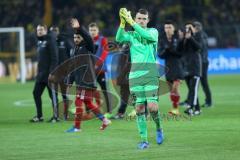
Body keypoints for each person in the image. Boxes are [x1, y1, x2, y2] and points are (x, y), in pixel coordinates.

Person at [116, 8, 164, 149]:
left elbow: (148, 37)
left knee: (153, 107)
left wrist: (132, 22)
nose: (141, 21)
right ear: (136, 19)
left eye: (144, 19)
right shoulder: (131, 35)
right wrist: (123, 22)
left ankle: (159, 128)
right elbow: (119, 38)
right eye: (139, 18)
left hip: (150, 74)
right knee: (139, 108)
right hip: (135, 76)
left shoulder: (153, 32)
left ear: (148, 20)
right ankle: (144, 140)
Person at [66, 18, 111, 132]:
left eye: (78, 37)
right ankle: (104, 120)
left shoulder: (88, 47)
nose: (76, 39)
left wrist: (79, 28)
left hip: (87, 80)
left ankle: (77, 127)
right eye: (75, 37)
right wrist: (69, 82)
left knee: (78, 101)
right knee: (88, 102)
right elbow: (73, 68)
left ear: (83, 38)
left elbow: (88, 37)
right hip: (80, 81)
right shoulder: (73, 50)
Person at [30, 24, 59, 123]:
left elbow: (55, 57)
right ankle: (39, 116)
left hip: (49, 74)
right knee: (36, 93)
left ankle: (56, 116)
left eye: (41, 30)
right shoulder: (39, 42)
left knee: (53, 96)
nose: (39, 31)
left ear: (46, 30)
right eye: (38, 30)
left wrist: (52, 72)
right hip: (41, 75)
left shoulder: (50, 40)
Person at [177, 22, 203, 116]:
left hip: (195, 67)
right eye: (186, 28)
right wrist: (183, 38)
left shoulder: (197, 37)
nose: (188, 30)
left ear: (193, 28)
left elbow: (199, 47)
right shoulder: (184, 39)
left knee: (193, 89)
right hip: (186, 67)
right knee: (192, 89)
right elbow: (178, 50)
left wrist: (190, 38)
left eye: (190, 28)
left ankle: (190, 108)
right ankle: (198, 109)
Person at [158, 20, 184, 115]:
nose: (167, 29)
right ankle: (175, 108)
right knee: (172, 90)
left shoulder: (179, 38)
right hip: (168, 67)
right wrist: (166, 50)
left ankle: (175, 109)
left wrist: (171, 50)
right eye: (166, 27)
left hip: (178, 66)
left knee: (175, 88)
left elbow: (181, 53)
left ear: (173, 28)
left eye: (169, 27)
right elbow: (160, 55)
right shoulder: (162, 40)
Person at [88, 22, 113, 118]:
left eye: (94, 30)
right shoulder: (88, 40)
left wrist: (98, 64)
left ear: (98, 31)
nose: (93, 32)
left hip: (101, 71)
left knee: (105, 90)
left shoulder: (103, 40)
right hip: (90, 71)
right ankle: (89, 111)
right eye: (91, 30)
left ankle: (109, 112)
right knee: (88, 91)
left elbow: (105, 52)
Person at [49, 26, 73, 120]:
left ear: (58, 32)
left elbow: (72, 55)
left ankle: (66, 114)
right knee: (54, 95)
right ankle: (55, 115)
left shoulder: (65, 41)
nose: (54, 32)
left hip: (64, 73)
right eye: (52, 31)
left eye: (55, 30)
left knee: (64, 95)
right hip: (54, 73)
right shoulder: (50, 43)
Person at [193, 21, 212, 107]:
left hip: (202, 62)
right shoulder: (203, 35)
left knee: (203, 82)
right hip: (203, 61)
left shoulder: (200, 36)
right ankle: (207, 101)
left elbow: (200, 49)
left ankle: (209, 101)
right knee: (196, 82)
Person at [112, 44, 131, 119]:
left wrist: (121, 76)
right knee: (125, 95)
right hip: (124, 76)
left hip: (128, 76)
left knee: (126, 95)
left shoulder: (129, 47)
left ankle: (121, 113)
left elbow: (128, 64)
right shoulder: (125, 47)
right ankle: (120, 113)